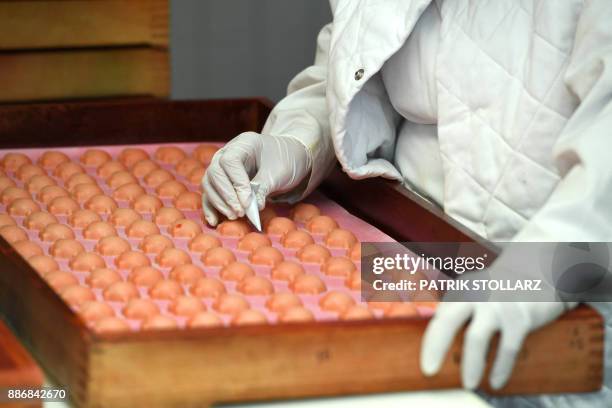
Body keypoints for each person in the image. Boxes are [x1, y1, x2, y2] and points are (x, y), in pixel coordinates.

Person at [202, 1, 612, 406]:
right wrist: (300, 138)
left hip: (569, 287)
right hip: (416, 249)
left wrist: (534, 275)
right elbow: (363, 67)